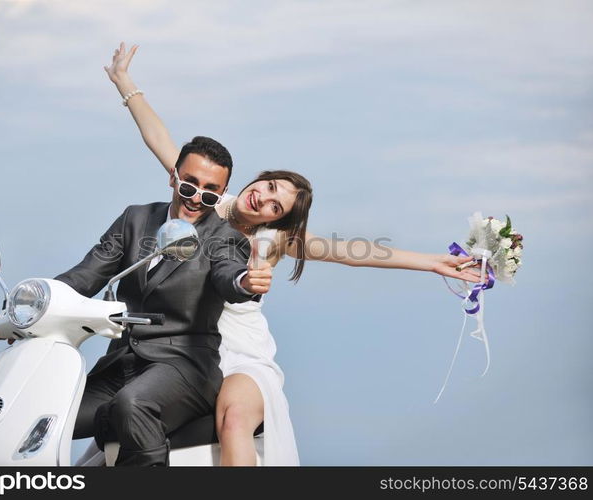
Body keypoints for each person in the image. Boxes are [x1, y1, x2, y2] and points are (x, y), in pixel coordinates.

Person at [101, 43, 484, 466]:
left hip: (236, 352)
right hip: (176, 349)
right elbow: (162, 142)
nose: (263, 200)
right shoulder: (208, 197)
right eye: (268, 187)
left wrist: (432, 262)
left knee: (234, 423)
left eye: (276, 206)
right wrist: (124, 81)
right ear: (258, 179)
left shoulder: (273, 240)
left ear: (279, 220)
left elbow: (352, 253)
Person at [0, 135, 274, 466]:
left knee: (132, 405)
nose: (197, 198)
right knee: (37, 409)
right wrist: (26, 311)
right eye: (189, 185)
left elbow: (230, 276)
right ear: (174, 177)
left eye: (210, 192)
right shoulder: (135, 220)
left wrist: (245, 282)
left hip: (183, 369)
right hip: (120, 367)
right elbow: (84, 276)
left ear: (221, 194)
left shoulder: (225, 239)